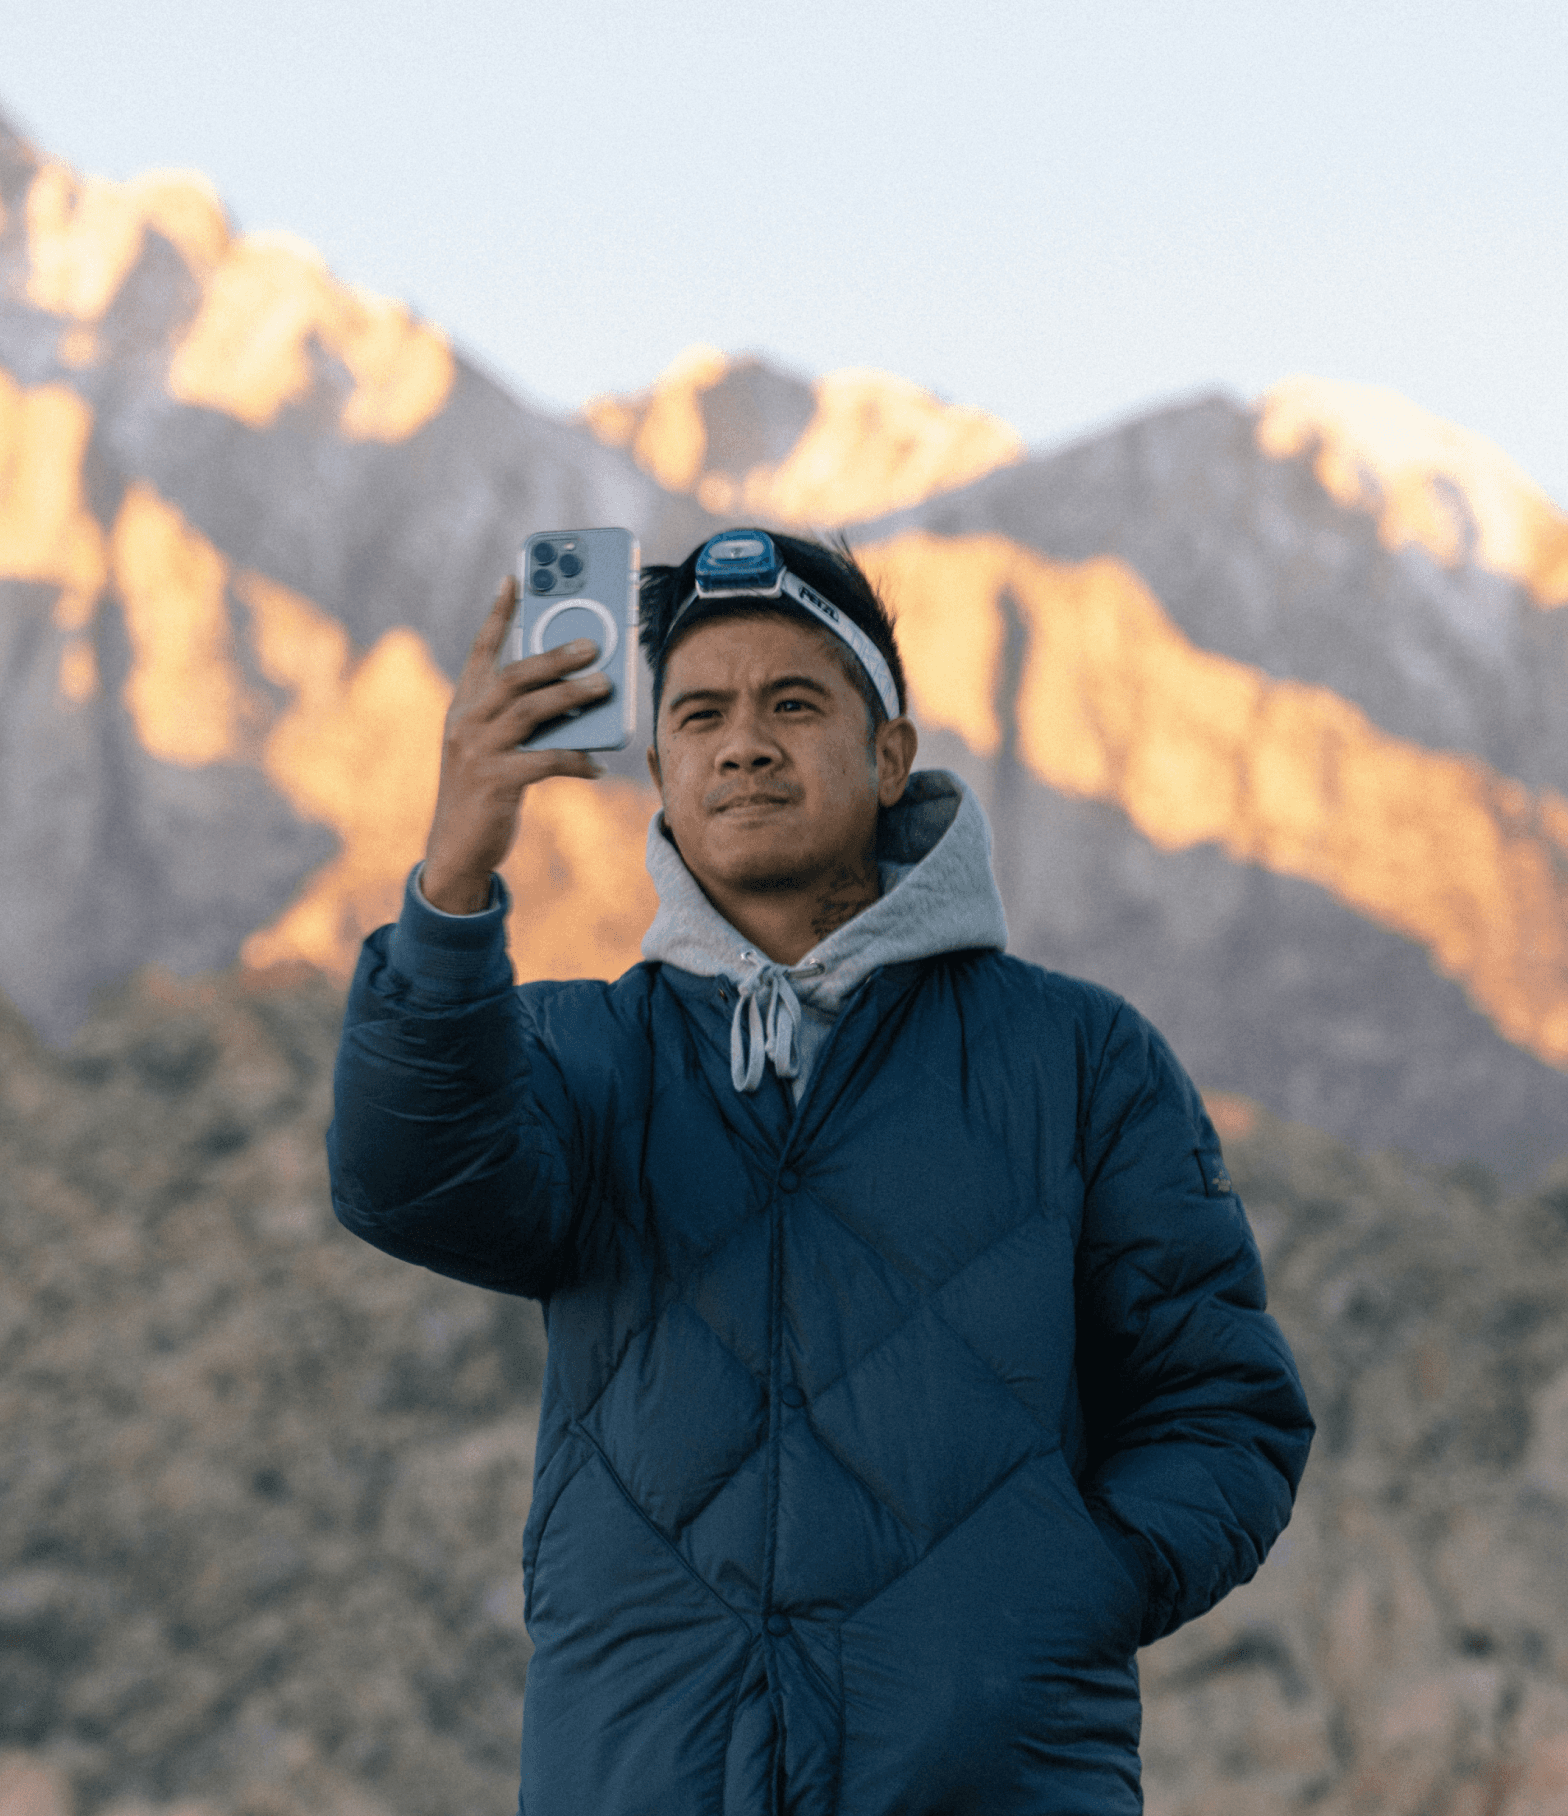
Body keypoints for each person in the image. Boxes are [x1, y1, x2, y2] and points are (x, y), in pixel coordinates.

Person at [329, 528, 1313, 1815]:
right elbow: (407, 1179)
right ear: (662, 773)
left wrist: (1069, 1588)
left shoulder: (1076, 1060)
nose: (743, 742)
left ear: (888, 753)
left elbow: (1224, 1409)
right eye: (698, 714)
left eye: (793, 703)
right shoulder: (579, 1055)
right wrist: (454, 877)